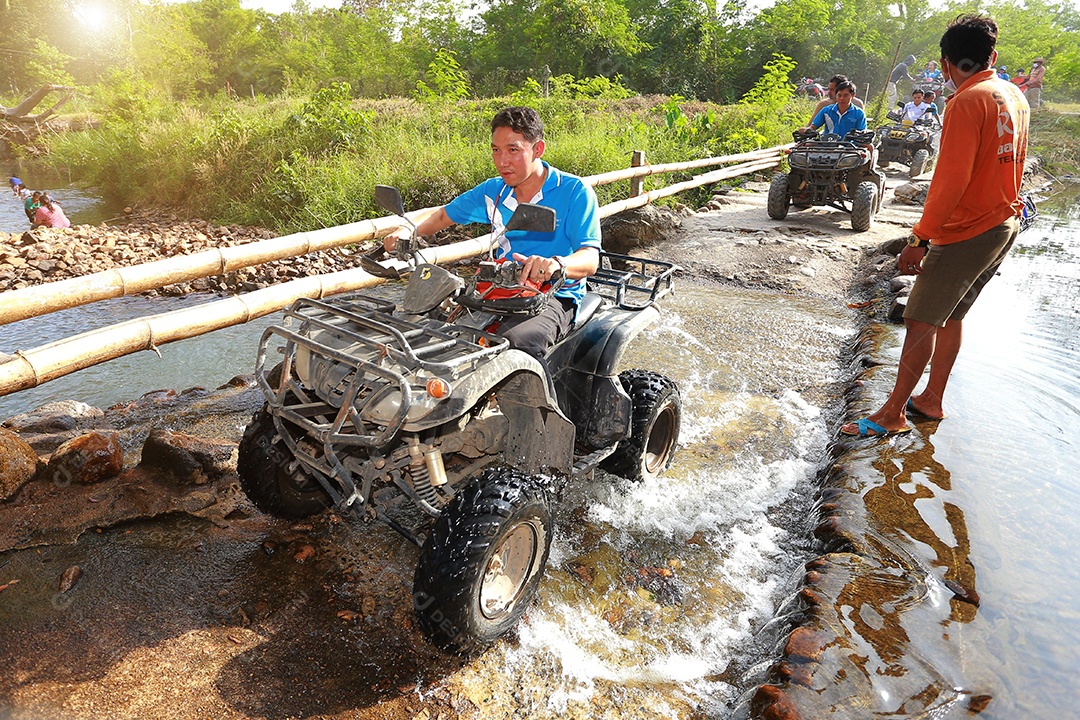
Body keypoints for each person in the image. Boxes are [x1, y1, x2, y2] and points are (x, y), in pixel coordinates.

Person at [841, 14, 1029, 437]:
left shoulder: (965, 101)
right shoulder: (1012, 93)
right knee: (952, 315)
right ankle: (931, 399)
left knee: (921, 319)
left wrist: (920, 239)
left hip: (968, 230)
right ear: (992, 57)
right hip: (1004, 222)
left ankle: (893, 413)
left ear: (945, 65)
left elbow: (950, 181)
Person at [382, 106, 601, 358]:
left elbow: (589, 257)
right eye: (496, 150)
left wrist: (555, 264)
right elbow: (443, 215)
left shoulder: (574, 191)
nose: (502, 161)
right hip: (498, 286)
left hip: (554, 292)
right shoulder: (494, 191)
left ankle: (542, 399)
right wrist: (406, 230)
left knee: (519, 345)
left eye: (513, 150)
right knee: (433, 335)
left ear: (537, 149)